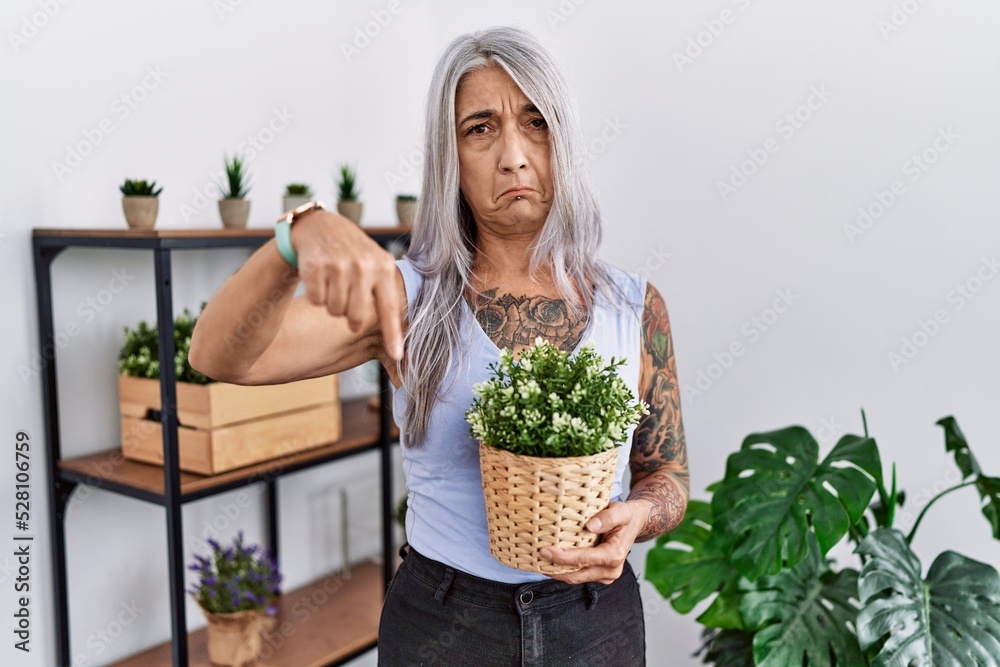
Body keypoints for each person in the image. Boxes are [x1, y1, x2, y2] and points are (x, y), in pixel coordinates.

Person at [189, 25, 688, 667]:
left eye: (534, 122)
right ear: (449, 155)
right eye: (480, 128)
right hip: (445, 628)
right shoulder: (407, 300)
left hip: (595, 627)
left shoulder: (635, 307)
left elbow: (666, 474)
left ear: (563, 137)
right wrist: (295, 239)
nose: (513, 154)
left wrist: (639, 518)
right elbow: (218, 357)